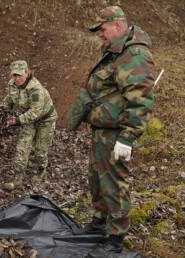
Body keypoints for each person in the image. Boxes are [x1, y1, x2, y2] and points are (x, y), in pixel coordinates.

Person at [69, 6, 155, 257]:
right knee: (97, 180)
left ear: (118, 26)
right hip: (102, 131)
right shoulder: (114, 52)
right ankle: (99, 223)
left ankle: (115, 237)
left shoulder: (135, 55)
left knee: (115, 184)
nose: (99, 34)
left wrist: (128, 138)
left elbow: (141, 101)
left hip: (117, 134)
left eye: (102, 29)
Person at [2, 60, 58, 191]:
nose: (17, 78)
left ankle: (41, 169)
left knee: (40, 151)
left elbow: (35, 112)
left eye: (20, 75)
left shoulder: (35, 88)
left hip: (46, 120)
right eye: (14, 75)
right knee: (22, 147)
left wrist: (16, 121)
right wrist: (1, 112)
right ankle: (17, 179)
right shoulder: (12, 85)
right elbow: (9, 99)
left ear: (27, 73)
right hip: (29, 120)